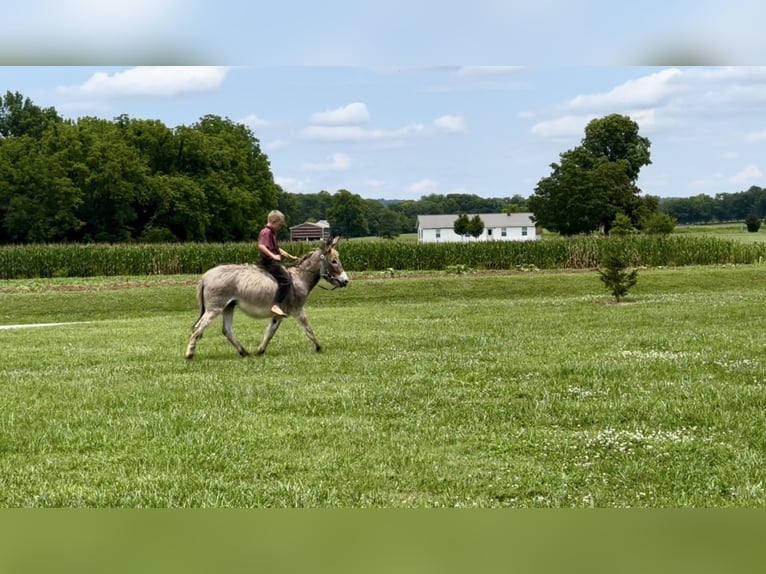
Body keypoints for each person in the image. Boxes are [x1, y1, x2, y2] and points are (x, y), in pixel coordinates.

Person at [258, 210, 299, 318]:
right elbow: (261, 246)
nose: (280, 227)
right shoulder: (266, 232)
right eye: (280, 225)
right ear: (273, 221)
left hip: (272, 261)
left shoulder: (272, 233)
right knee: (286, 281)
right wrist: (273, 256)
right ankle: (276, 305)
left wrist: (289, 256)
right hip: (269, 263)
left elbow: (277, 248)